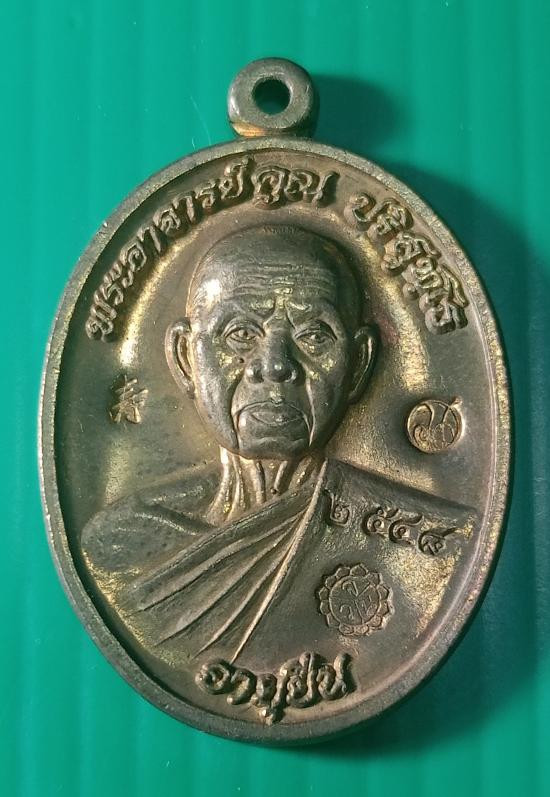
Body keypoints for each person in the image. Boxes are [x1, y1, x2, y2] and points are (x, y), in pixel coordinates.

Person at [82, 224, 473, 667]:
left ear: (359, 364)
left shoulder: (430, 537)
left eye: (314, 336)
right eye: (240, 334)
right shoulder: (121, 543)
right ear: (186, 359)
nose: (274, 366)